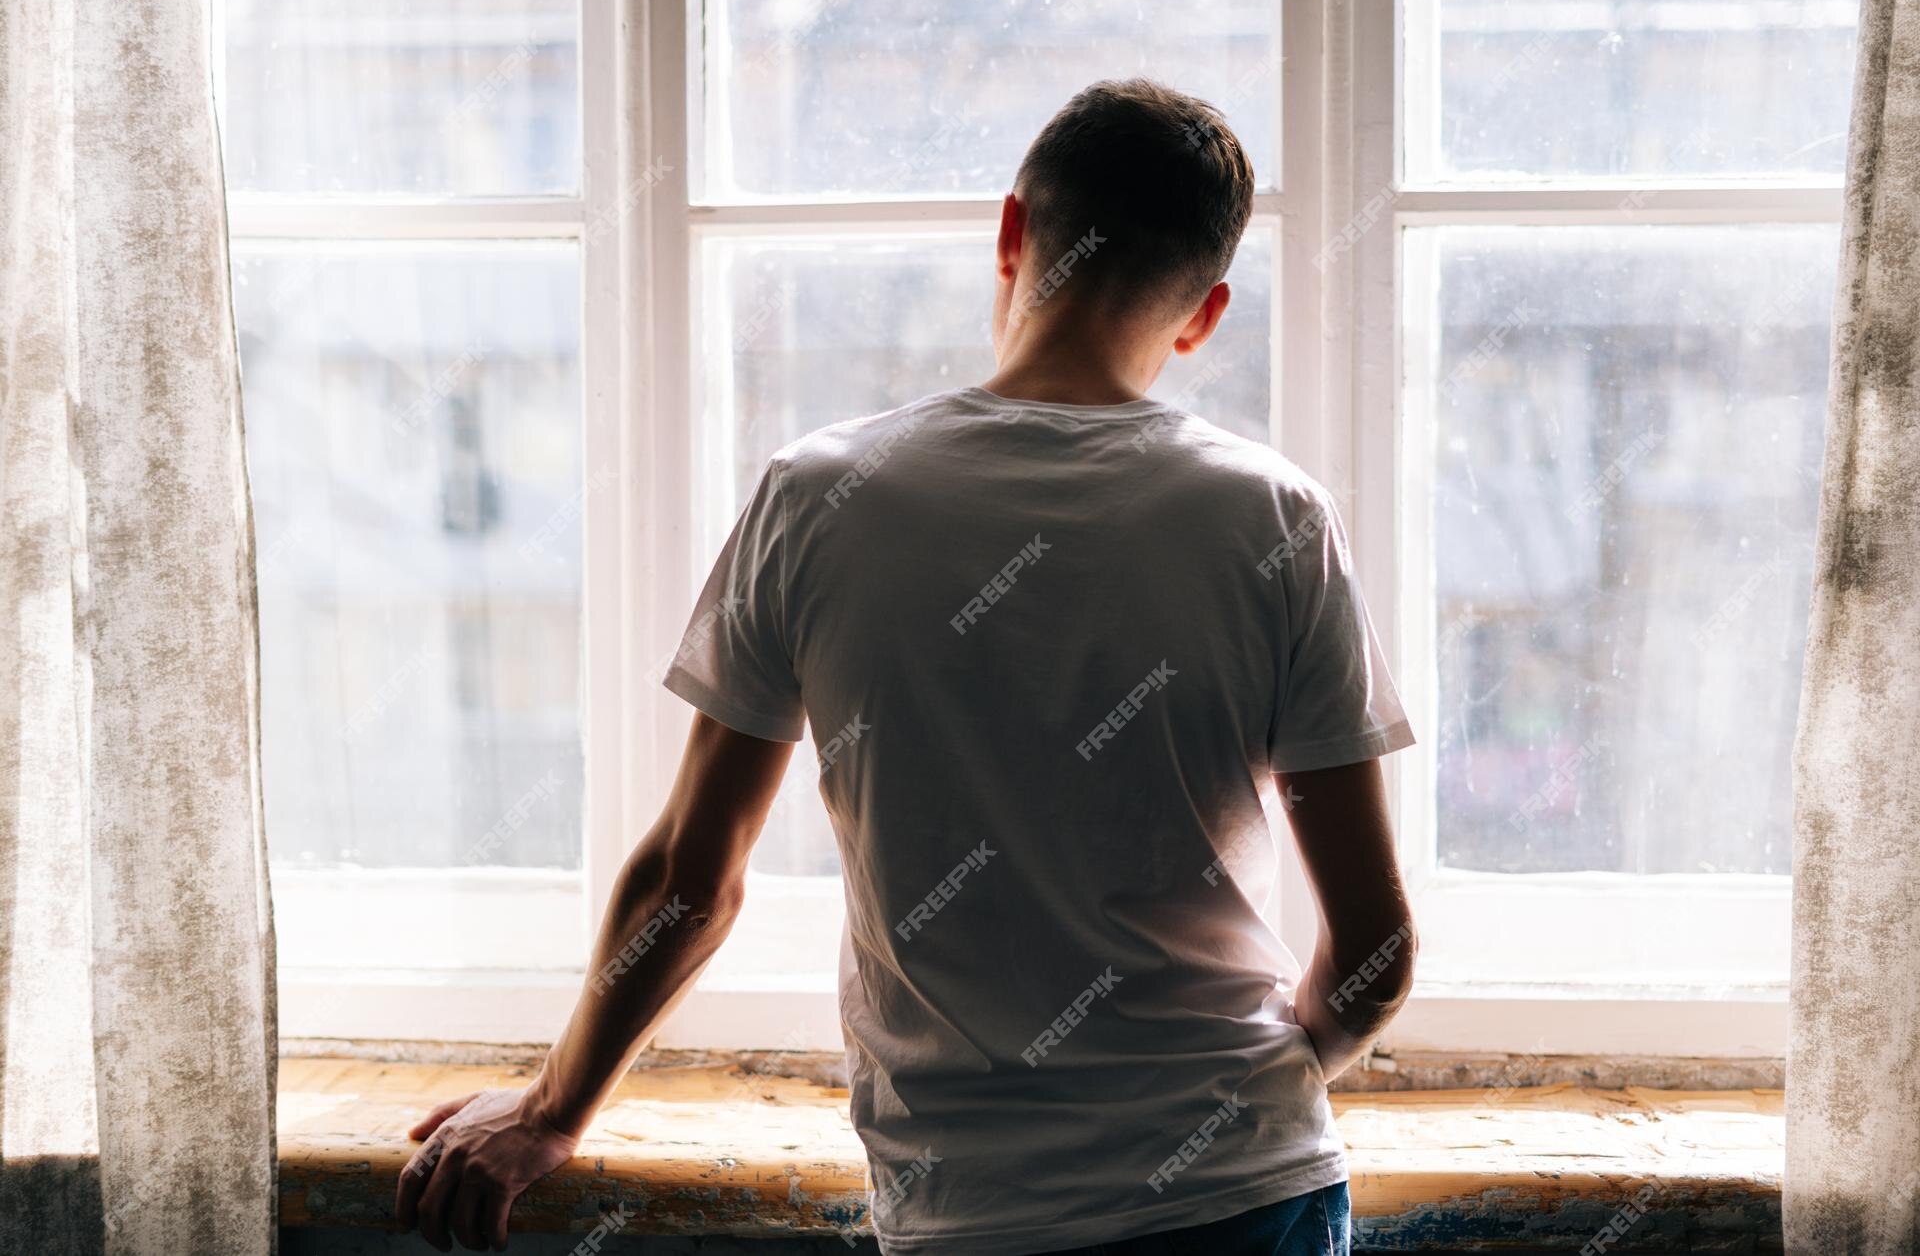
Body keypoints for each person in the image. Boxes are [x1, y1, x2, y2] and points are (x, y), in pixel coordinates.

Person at [395, 78, 1417, 1256]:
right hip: (1244, 1193)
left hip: (973, 1212)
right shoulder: (1273, 518)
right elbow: (1374, 951)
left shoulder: (822, 496)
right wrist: (1272, 1083)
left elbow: (691, 876)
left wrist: (548, 1111)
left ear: (1009, 234)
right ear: (1204, 315)